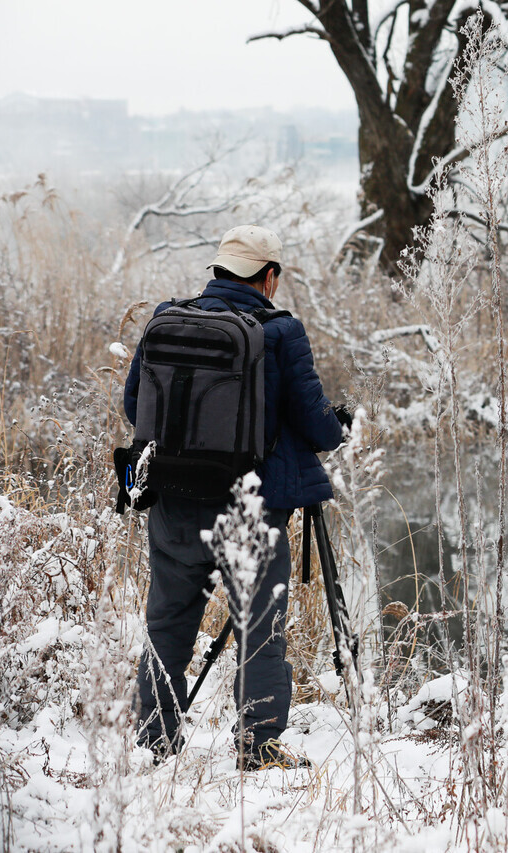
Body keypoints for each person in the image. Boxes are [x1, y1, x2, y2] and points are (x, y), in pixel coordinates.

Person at [123, 225, 350, 770]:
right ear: (269, 276)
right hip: (249, 506)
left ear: (219, 272)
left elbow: (136, 407)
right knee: (260, 623)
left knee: (169, 620)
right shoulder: (281, 332)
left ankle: (154, 740)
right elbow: (317, 426)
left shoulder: (166, 318)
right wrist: (338, 426)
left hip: (173, 499)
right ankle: (259, 745)